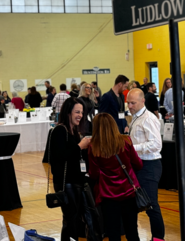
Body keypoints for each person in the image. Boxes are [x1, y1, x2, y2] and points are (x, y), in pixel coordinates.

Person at [88, 113, 143, 241]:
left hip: (108, 196)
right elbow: (138, 164)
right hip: (129, 192)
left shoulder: (94, 147)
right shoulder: (126, 141)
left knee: (113, 233)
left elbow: (94, 174)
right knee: (132, 232)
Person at [49, 97, 93, 241]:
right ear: (68, 112)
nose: (80, 115)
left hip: (76, 181)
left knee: (74, 219)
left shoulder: (74, 131)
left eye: (81, 112)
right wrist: (80, 146)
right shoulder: (59, 131)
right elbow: (60, 156)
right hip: (66, 183)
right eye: (77, 112)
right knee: (70, 219)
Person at [127, 89, 165, 239]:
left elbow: (156, 144)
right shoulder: (136, 117)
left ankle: (158, 238)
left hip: (149, 166)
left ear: (142, 101)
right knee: (134, 204)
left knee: (151, 205)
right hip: (139, 165)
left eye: (133, 103)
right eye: (128, 103)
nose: (129, 106)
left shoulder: (148, 118)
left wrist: (131, 149)